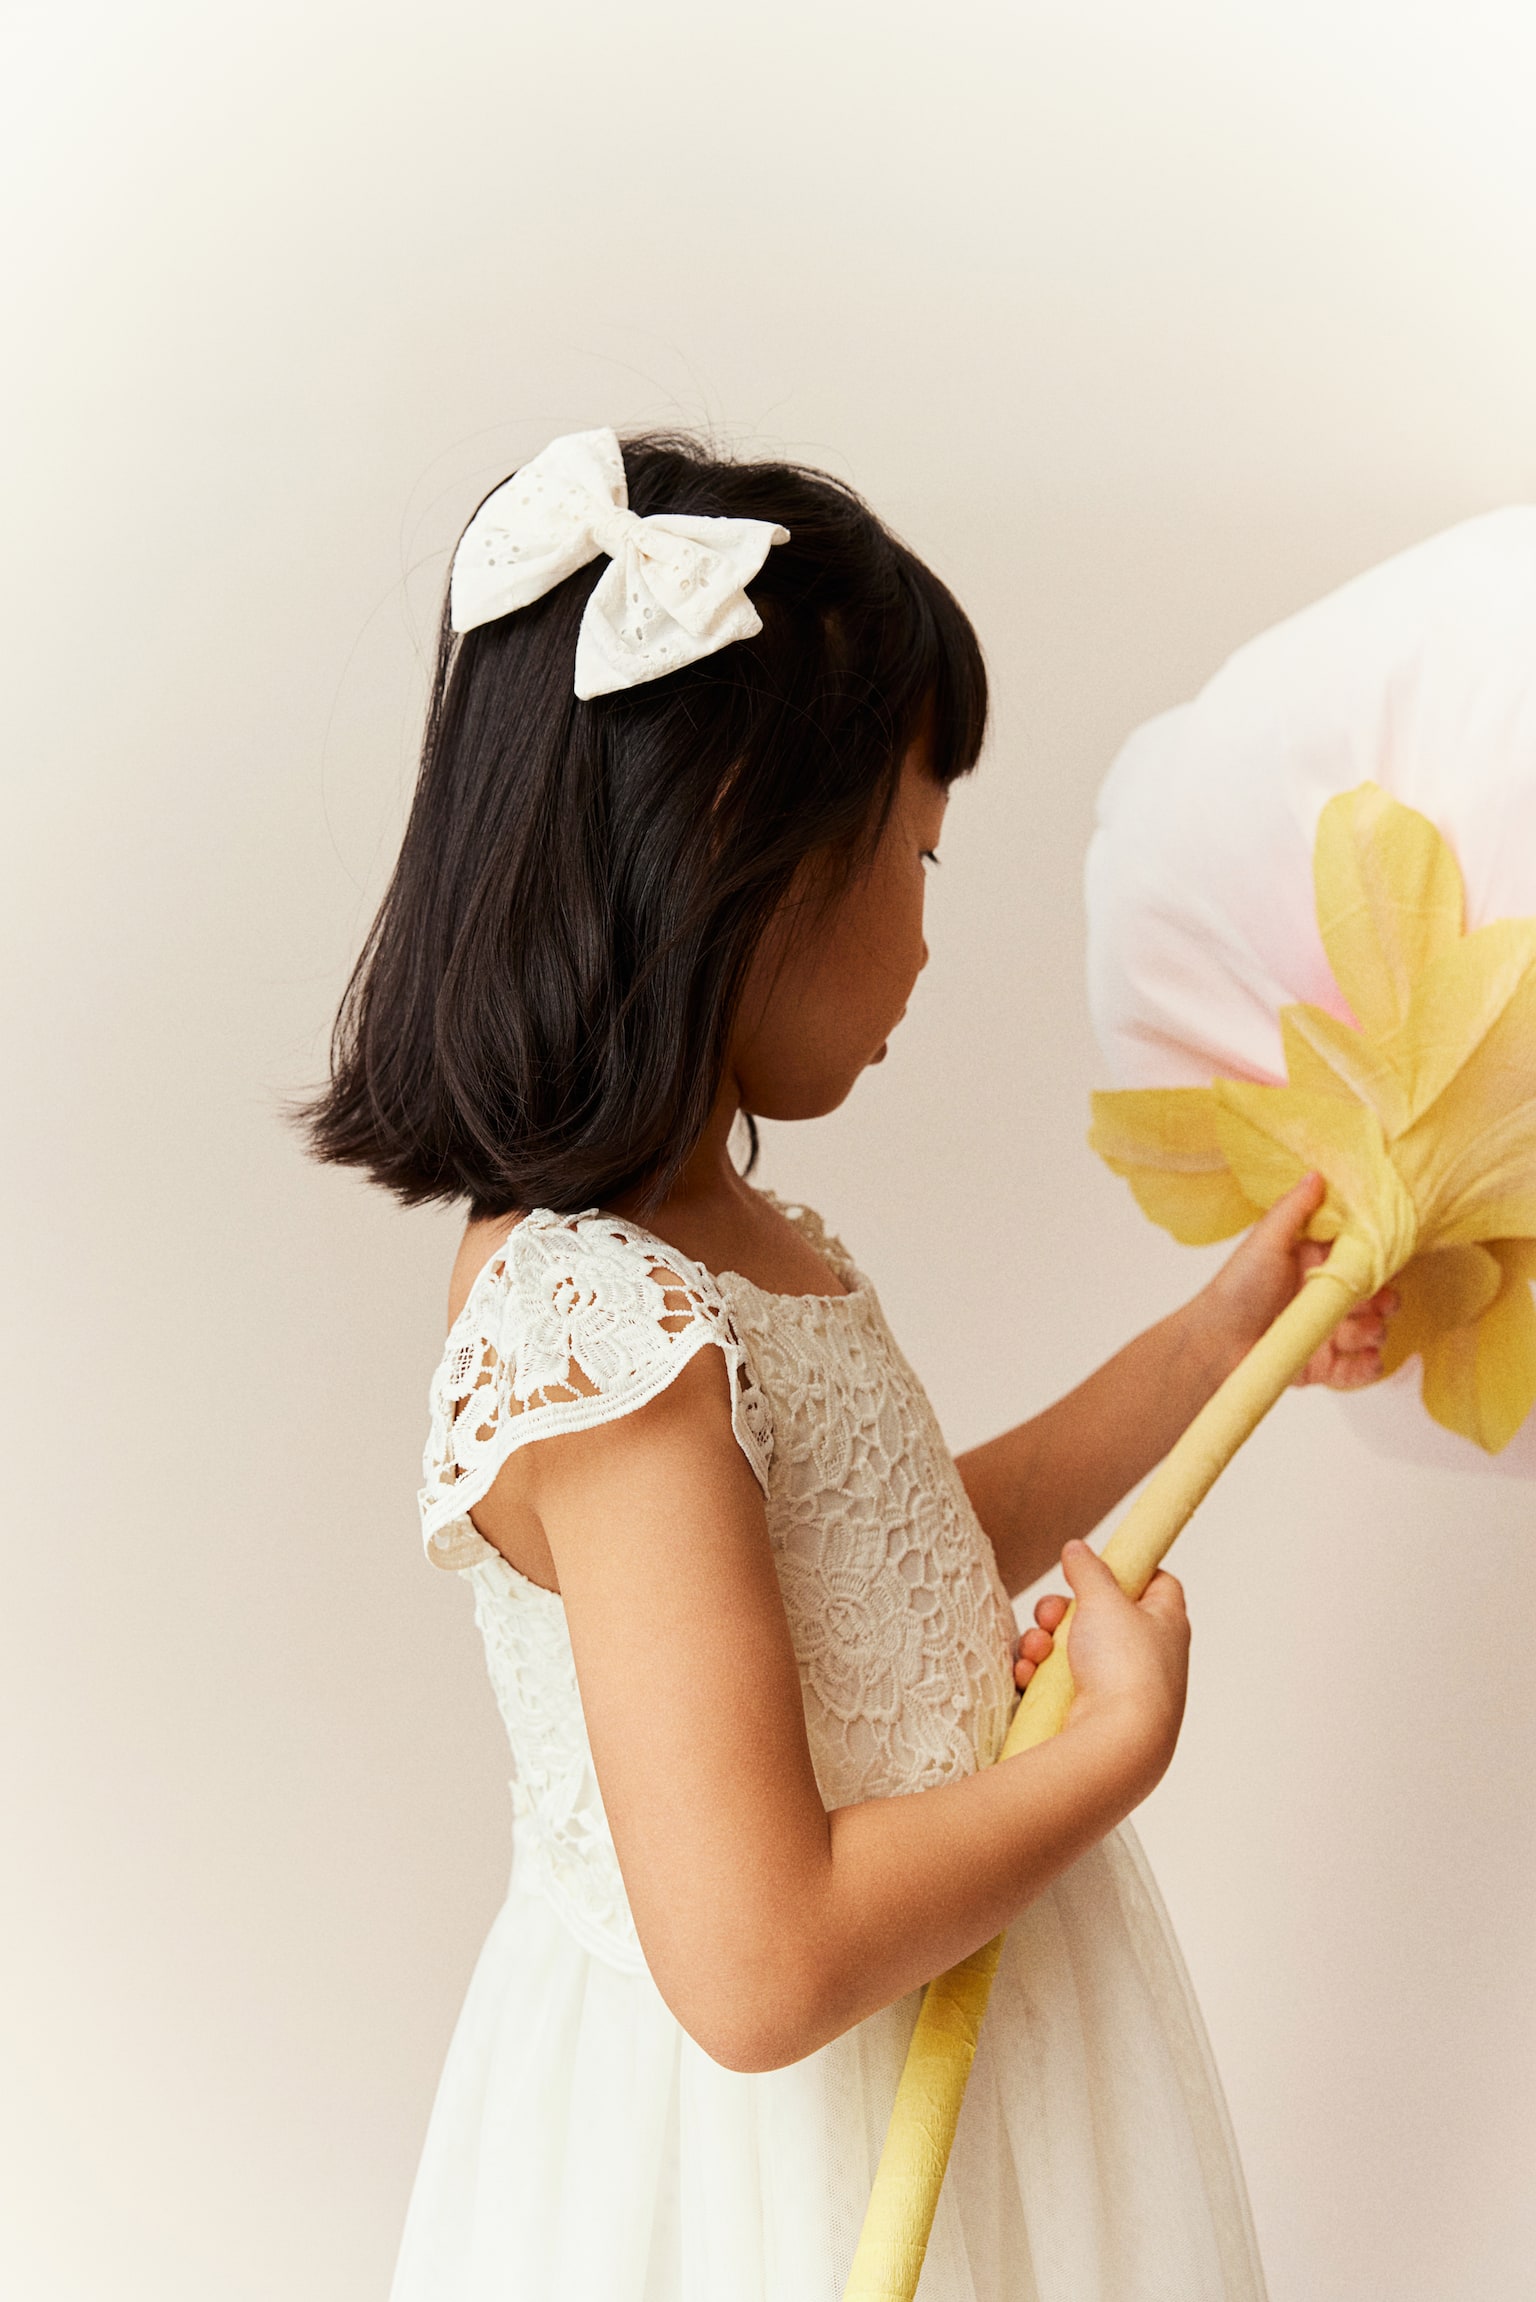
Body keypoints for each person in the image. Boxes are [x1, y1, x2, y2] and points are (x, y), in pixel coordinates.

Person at [303, 428, 1393, 2302]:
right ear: (738, 847)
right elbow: (759, 1966)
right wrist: (1112, 1752)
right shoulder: (606, 1339)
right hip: (787, 2158)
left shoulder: (718, 1244)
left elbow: (889, 1554)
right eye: (915, 856)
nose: (919, 943)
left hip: (955, 2036)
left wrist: (1225, 1340)